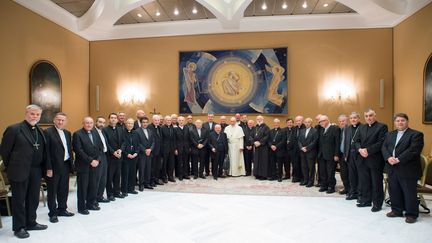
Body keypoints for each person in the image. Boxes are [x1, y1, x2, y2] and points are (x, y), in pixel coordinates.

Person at [0, 104, 52, 239]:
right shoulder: (14, 129)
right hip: (19, 170)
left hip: (35, 170)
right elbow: (5, 152)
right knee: (19, 200)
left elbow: (43, 151)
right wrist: (11, 167)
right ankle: (19, 227)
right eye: (32, 114)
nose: (35, 116)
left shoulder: (39, 130)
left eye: (38, 114)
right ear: (26, 113)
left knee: (33, 199)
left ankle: (31, 222)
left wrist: (46, 168)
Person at [381, 113, 424, 223]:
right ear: (395, 122)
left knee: (409, 192)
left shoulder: (416, 134)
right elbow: (384, 147)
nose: (400, 122)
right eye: (398, 120)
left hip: (408, 168)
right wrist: (388, 157)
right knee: (394, 190)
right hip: (392, 167)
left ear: (407, 122)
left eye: (402, 120)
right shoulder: (389, 134)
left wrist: (398, 159)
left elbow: (413, 150)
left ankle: (411, 214)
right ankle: (396, 210)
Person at [355, 109, 388, 212]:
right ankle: (366, 200)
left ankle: (377, 204)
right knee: (365, 181)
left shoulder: (382, 127)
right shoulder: (362, 127)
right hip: (362, 158)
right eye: (366, 116)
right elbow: (356, 140)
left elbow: (382, 142)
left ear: (375, 115)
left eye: (370, 115)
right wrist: (360, 149)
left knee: (376, 182)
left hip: (375, 159)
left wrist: (368, 150)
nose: (368, 118)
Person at [44, 112, 74, 224]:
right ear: (54, 120)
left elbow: (68, 150)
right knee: (52, 191)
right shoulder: (47, 132)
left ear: (65, 122)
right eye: (58, 120)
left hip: (65, 165)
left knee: (63, 189)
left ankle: (62, 209)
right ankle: (52, 213)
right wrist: (48, 168)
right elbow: (46, 152)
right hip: (53, 167)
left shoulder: (67, 133)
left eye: (63, 120)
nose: (60, 122)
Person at [73, 117, 103, 215]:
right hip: (83, 165)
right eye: (87, 123)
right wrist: (91, 160)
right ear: (83, 123)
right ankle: (82, 207)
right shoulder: (77, 134)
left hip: (95, 164)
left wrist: (97, 159)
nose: (89, 125)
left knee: (93, 185)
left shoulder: (95, 133)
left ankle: (91, 203)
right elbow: (78, 150)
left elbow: (100, 147)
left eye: (91, 123)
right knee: (83, 187)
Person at [103, 113, 125, 200]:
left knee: (117, 175)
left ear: (117, 120)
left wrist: (120, 150)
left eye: (115, 118)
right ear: (109, 119)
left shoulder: (120, 129)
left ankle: (117, 192)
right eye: (111, 118)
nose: (113, 119)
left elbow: (124, 141)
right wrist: (113, 152)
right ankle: (110, 194)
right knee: (109, 176)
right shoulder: (105, 130)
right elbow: (106, 143)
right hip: (110, 157)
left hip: (119, 156)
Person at [317, 115, 340, 194]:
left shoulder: (335, 128)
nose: (321, 123)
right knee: (323, 172)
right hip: (322, 155)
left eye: (322, 121)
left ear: (327, 120)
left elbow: (337, 143)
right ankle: (324, 185)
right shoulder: (321, 130)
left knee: (330, 172)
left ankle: (331, 186)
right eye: (320, 122)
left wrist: (336, 154)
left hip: (331, 155)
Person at [343, 112, 362, 201]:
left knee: (360, 175)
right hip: (350, 154)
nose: (353, 120)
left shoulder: (363, 127)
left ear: (358, 118)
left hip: (359, 155)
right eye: (351, 118)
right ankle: (353, 192)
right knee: (352, 175)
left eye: (355, 118)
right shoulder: (347, 128)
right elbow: (346, 142)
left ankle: (360, 193)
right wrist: (345, 155)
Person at [134, 117, 154, 190]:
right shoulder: (137, 131)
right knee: (141, 169)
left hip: (149, 153)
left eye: (146, 122)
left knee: (148, 169)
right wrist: (145, 150)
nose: (145, 124)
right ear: (141, 123)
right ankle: (141, 184)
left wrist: (150, 149)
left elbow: (153, 141)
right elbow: (137, 143)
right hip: (141, 154)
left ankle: (147, 183)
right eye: (143, 122)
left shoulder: (150, 131)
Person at [298, 118, 318, 187]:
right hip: (303, 152)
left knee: (311, 167)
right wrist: (301, 147)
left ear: (311, 123)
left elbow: (314, 142)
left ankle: (311, 181)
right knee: (304, 167)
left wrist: (307, 148)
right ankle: (305, 180)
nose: (307, 123)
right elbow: (299, 141)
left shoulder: (315, 131)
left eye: (308, 122)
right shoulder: (302, 131)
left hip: (311, 152)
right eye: (306, 122)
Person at [121, 118, 139, 195]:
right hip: (125, 157)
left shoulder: (135, 133)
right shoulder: (122, 133)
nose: (130, 125)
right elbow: (121, 145)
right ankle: (124, 190)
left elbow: (138, 144)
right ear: (125, 124)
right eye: (128, 123)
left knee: (132, 173)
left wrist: (136, 153)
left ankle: (131, 189)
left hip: (134, 156)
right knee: (125, 174)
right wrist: (126, 154)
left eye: (131, 123)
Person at [94, 116, 110, 203]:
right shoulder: (93, 132)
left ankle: (100, 196)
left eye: (103, 123)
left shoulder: (102, 132)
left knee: (103, 178)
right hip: (97, 157)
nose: (102, 124)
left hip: (104, 156)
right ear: (96, 122)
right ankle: (94, 197)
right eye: (100, 122)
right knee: (97, 179)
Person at [252, 115, 270, 180]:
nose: (259, 120)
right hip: (256, 147)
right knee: (257, 160)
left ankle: (263, 175)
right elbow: (251, 136)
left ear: (262, 119)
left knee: (263, 161)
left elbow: (267, 136)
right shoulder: (255, 127)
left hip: (263, 147)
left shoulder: (266, 127)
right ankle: (257, 174)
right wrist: (254, 142)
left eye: (260, 119)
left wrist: (260, 143)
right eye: (258, 119)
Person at [148, 115, 163, 186]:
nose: (157, 122)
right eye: (155, 120)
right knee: (152, 167)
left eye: (158, 120)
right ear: (152, 120)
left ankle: (156, 179)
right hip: (152, 151)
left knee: (158, 166)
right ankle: (151, 180)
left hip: (159, 151)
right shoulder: (149, 127)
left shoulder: (160, 127)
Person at [174, 116, 190, 180]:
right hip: (179, 148)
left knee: (186, 162)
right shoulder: (175, 129)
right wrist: (175, 149)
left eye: (182, 120)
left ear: (184, 121)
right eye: (180, 120)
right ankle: (180, 175)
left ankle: (185, 174)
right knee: (179, 162)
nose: (181, 121)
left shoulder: (187, 128)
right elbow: (174, 140)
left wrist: (189, 147)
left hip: (186, 148)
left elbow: (188, 139)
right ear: (178, 121)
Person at [337, 114, 350, 195]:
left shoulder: (350, 129)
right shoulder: (341, 130)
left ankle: (351, 189)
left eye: (343, 121)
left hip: (348, 155)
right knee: (343, 173)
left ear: (347, 120)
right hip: (342, 155)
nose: (342, 122)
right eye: (340, 121)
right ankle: (346, 188)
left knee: (350, 173)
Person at [161, 115, 176, 182]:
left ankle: (170, 176)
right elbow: (161, 139)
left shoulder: (173, 128)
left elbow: (174, 139)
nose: (169, 121)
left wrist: (175, 148)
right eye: (167, 120)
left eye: (170, 120)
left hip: (172, 149)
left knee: (171, 163)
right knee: (164, 164)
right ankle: (164, 177)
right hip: (164, 149)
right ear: (165, 121)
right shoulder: (162, 128)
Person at [292, 115, 305, 183]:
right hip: (295, 150)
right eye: (296, 121)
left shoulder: (305, 128)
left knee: (302, 165)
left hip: (302, 149)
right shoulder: (294, 128)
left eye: (299, 120)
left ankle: (303, 178)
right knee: (295, 164)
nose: (298, 122)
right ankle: (296, 177)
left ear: (302, 121)